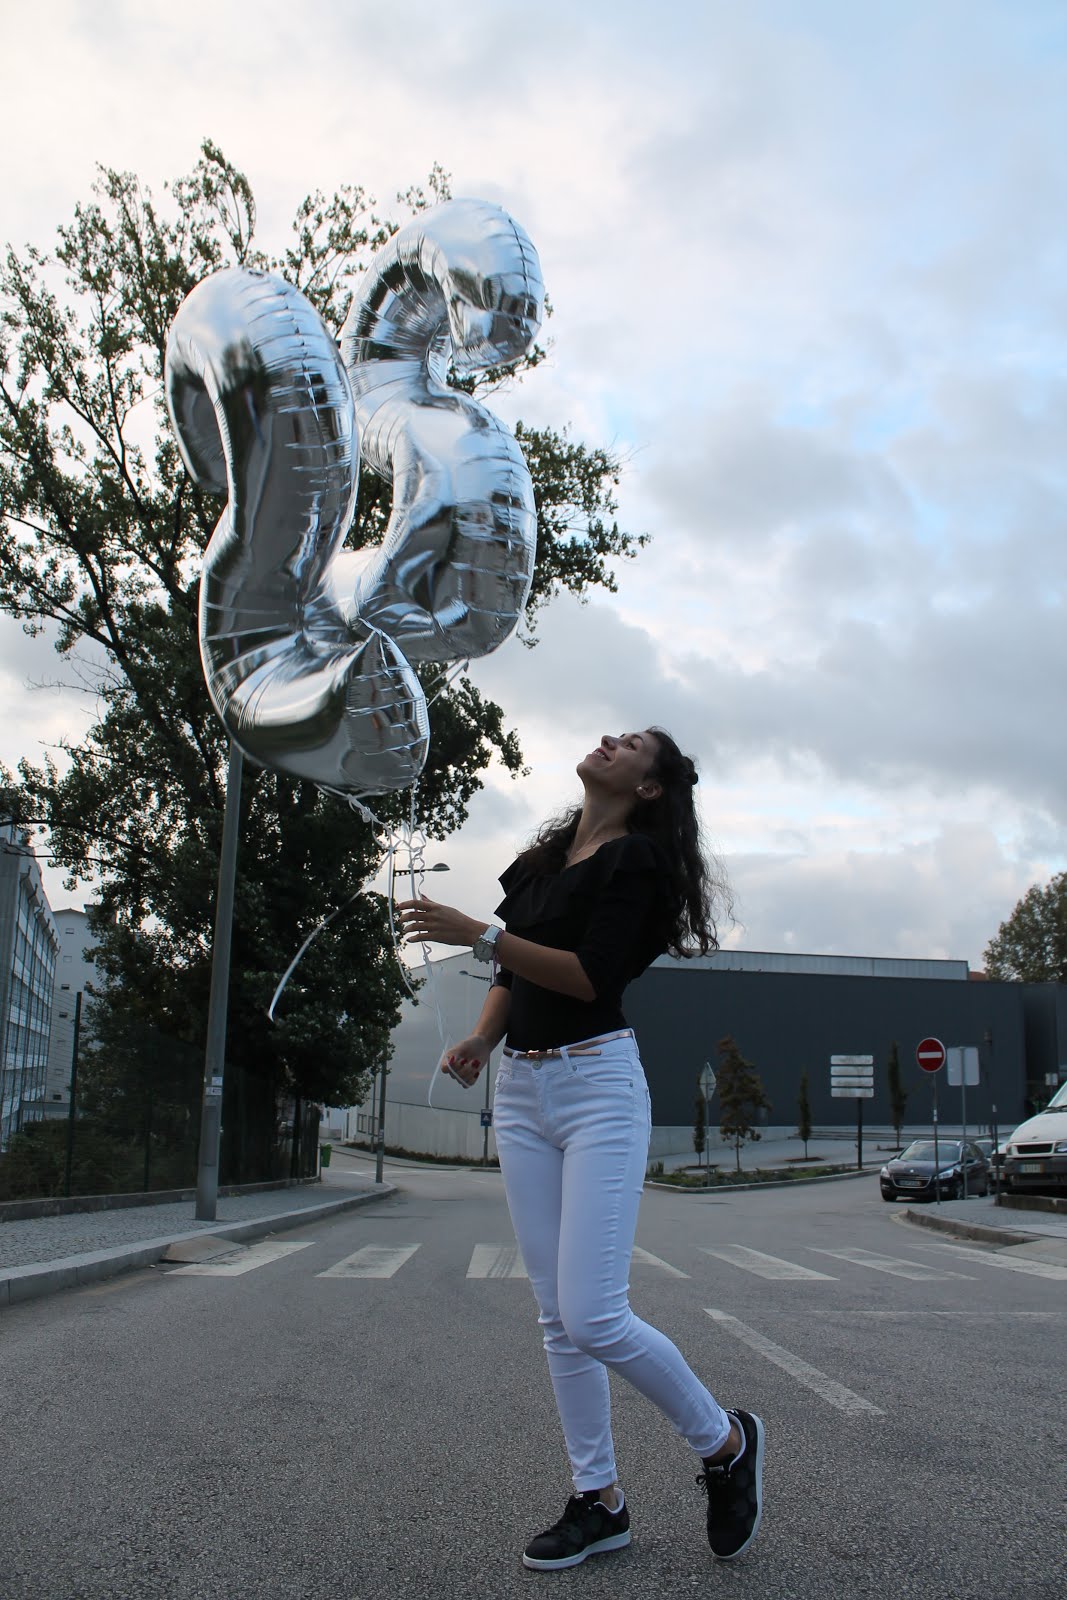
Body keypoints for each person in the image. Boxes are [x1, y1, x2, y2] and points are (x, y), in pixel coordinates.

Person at [397, 728, 764, 1571]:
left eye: (630, 744)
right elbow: (512, 976)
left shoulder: (637, 863)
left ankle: (722, 1444)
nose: (607, 741)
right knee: (556, 1318)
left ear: (649, 788)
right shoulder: (542, 861)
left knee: (593, 1313)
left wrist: (477, 932)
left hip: (597, 1086)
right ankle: (598, 1499)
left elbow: (587, 975)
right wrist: (483, 1039)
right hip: (522, 1092)